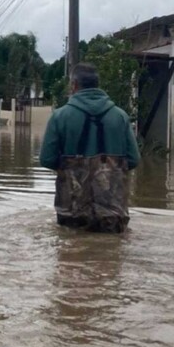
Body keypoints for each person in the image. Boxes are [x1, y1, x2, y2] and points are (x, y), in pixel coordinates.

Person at [39, 62, 140, 233]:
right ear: (97, 85)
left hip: (72, 208)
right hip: (113, 210)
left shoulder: (60, 117)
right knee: (112, 254)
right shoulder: (120, 116)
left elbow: (47, 159)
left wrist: (73, 167)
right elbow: (133, 159)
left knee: (72, 252)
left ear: (74, 85)